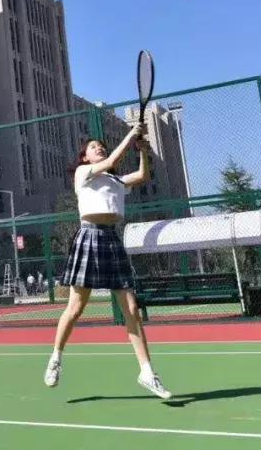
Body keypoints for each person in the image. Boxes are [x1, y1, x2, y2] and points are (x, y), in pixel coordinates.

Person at [43, 125, 172, 400]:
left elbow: (142, 175)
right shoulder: (83, 174)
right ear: (85, 158)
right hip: (88, 236)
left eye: (100, 145)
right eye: (93, 147)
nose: (98, 148)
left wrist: (143, 152)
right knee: (76, 308)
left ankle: (147, 373)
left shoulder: (115, 181)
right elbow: (112, 161)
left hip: (112, 239)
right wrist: (131, 134)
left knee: (133, 309)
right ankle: (55, 358)